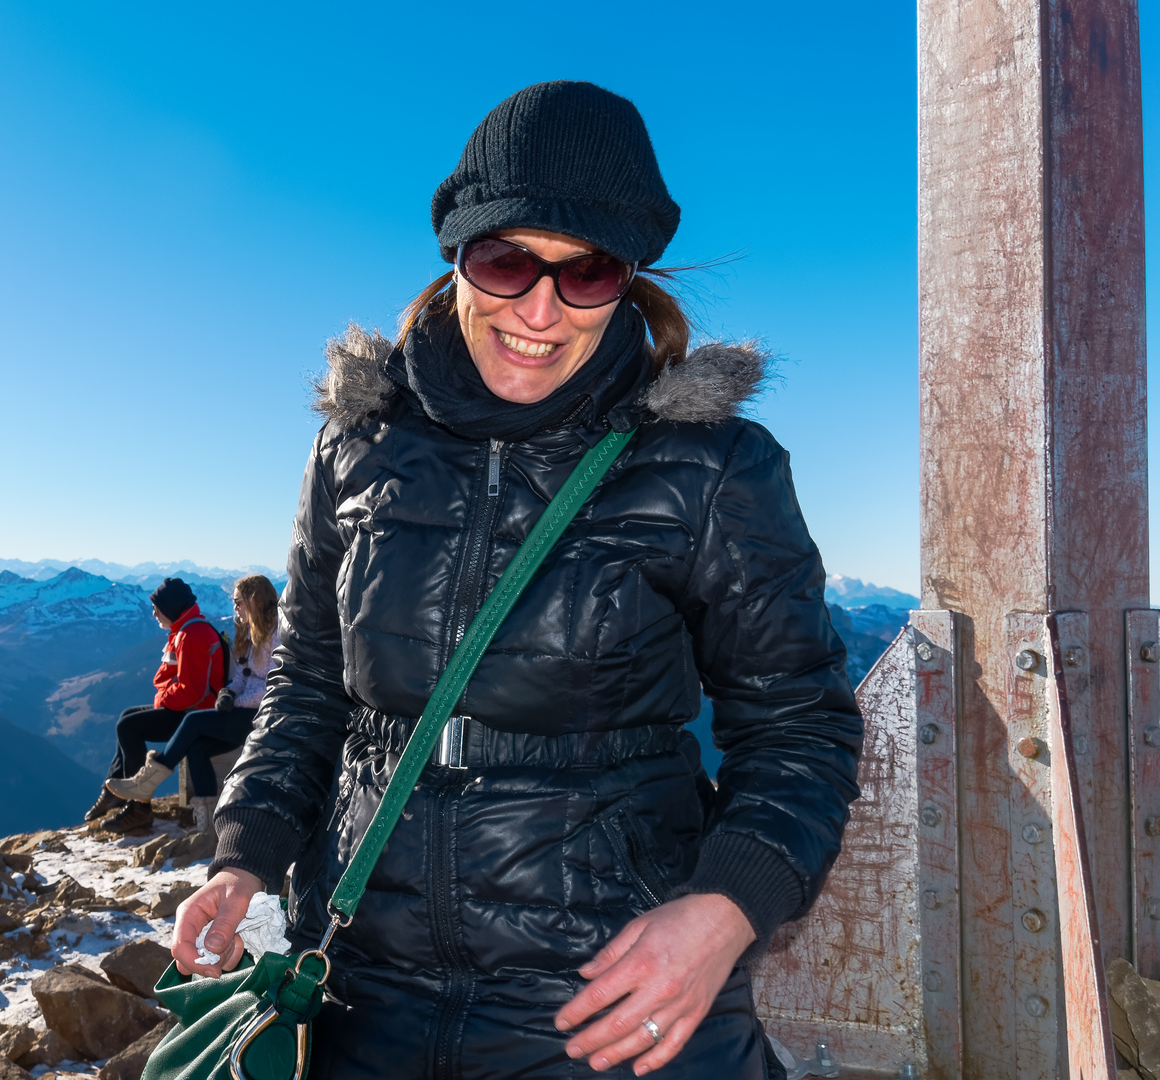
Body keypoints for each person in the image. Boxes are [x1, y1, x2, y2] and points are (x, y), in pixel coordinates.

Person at [171, 81, 862, 1079]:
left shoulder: (711, 466)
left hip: (610, 990)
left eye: (586, 272)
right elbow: (310, 685)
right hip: (365, 976)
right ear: (454, 252)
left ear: (628, 279)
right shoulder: (354, 450)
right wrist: (243, 858)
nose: (538, 309)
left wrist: (721, 913)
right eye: (505, 261)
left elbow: (797, 723)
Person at [105, 574, 281, 830]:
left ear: (253, 601)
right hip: (241, 709)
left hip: (259, 716)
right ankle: (208, 827)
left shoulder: (275, 635)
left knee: (192, 721)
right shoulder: (252, 633)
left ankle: (150, 780)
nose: (235, 608)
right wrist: (228, 693)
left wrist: (237, 701)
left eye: (238, 602)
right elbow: (244, 676)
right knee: (197, 748)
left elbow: (271, 685)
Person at [84, 576, 226, 834]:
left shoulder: (191, 635)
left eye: (157, 608)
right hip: (188, 709)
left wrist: (163, 699)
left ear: (171, 608)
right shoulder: (186, 629)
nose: (153, 613)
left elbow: (192, 692)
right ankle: (114, 791)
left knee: (129, 727)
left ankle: (139, 809)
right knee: (127, 717)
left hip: (194, 714)